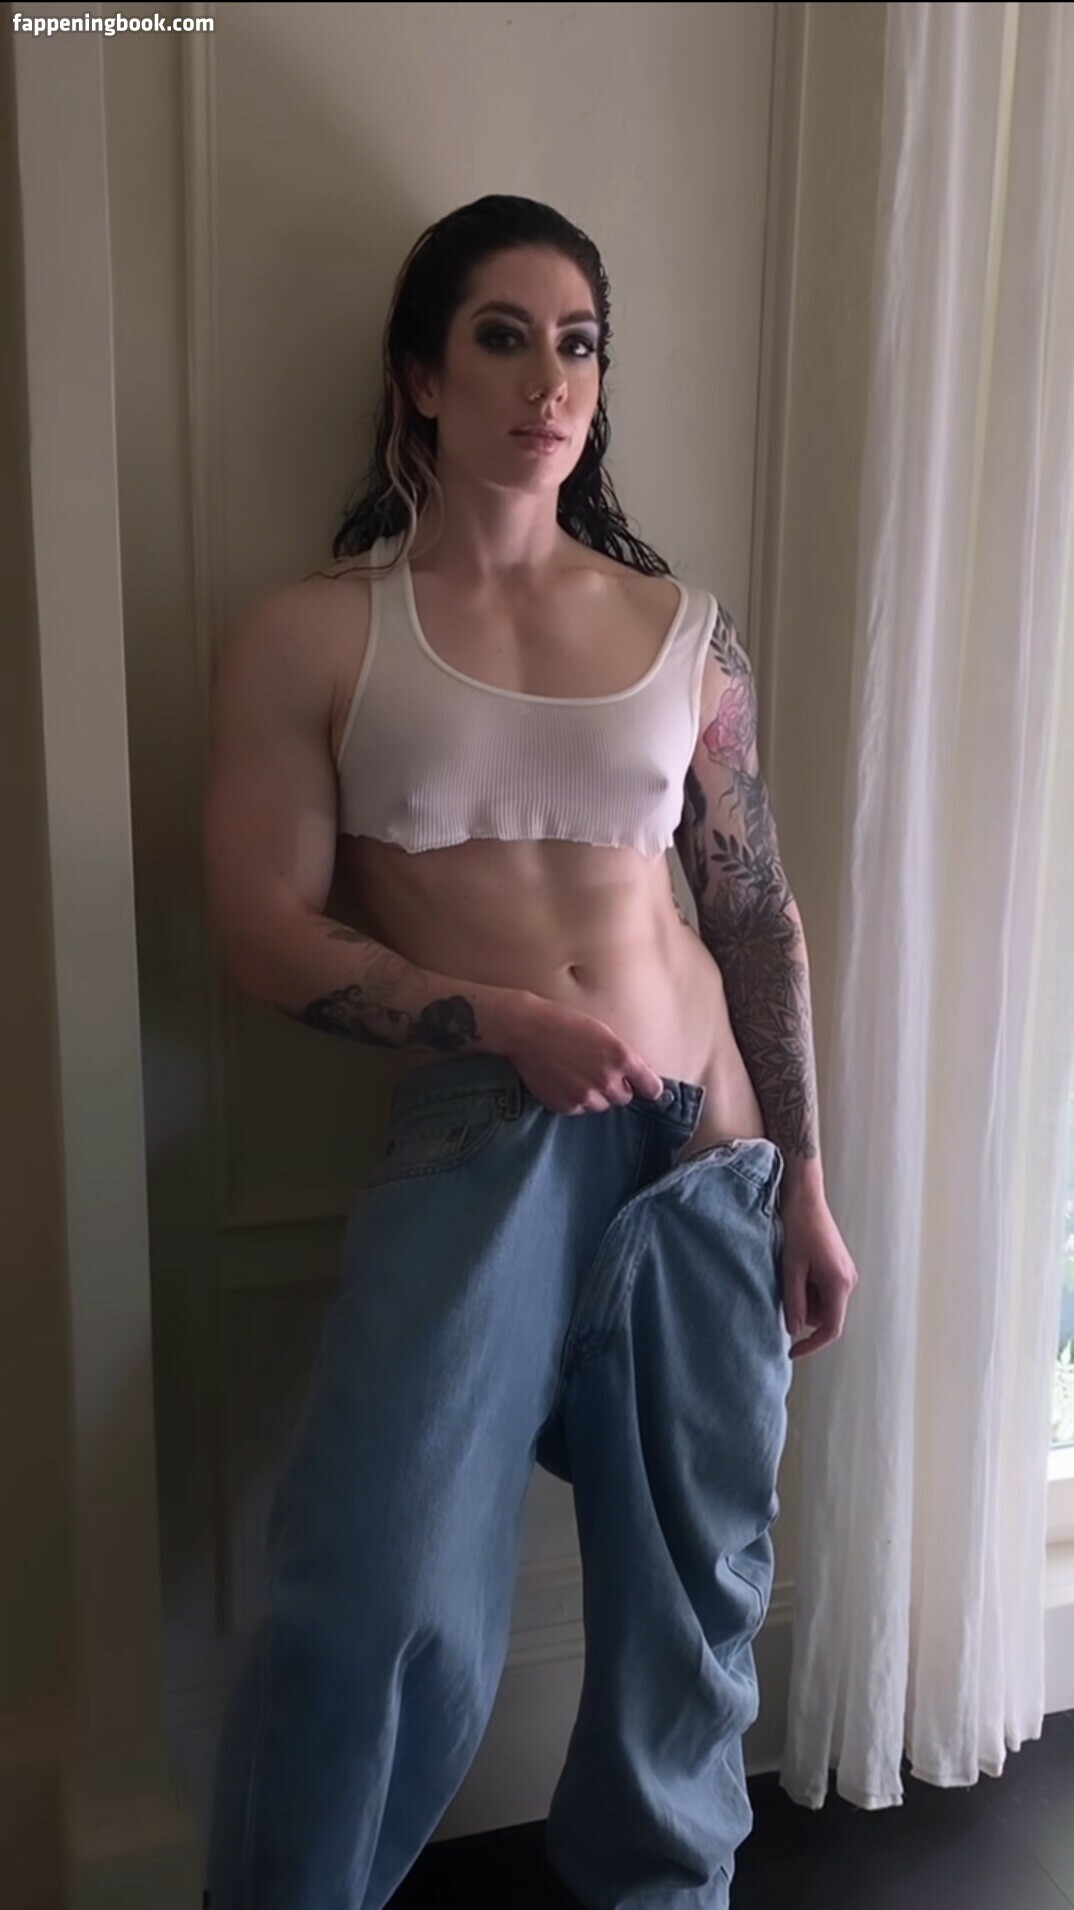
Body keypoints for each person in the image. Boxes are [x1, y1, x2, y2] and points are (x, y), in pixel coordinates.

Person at [201, 194, 858, 1910]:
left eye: (578, 343)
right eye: (502, 336)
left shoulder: (681, 631)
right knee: (378, 1594)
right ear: (420, 375)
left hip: (702, 1157)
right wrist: (495, 1017)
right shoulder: (315, 635)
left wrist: (802, 1181)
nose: (548, 378)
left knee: (693, 1606)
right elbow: (261, 933)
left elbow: (754, 916)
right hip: (481, 1134)